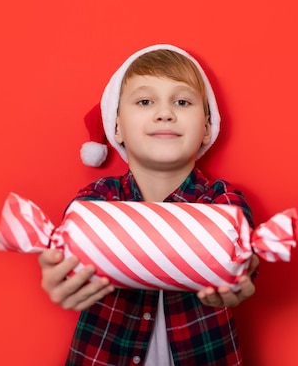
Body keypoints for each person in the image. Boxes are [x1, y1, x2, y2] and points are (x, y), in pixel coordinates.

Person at [38, 44, 259, 365]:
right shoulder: (97, 201)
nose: (165, 112)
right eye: (145, 101)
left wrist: (245, 274)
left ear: (208, 127)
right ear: (116, 128)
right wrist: (58, 274)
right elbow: (67, 254)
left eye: (182, 102)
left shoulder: (224, 204)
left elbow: (246, 260)